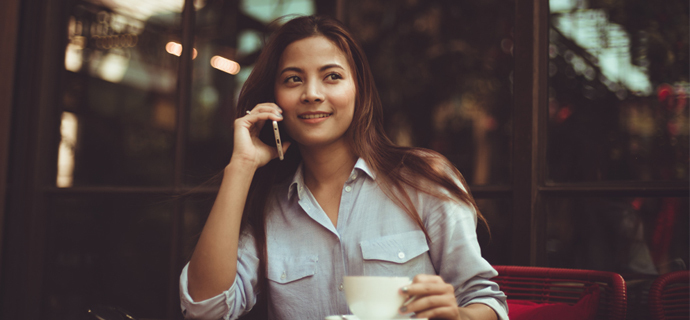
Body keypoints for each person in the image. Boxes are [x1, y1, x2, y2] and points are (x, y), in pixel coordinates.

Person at [179, 15, 508, 320]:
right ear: (275, 99)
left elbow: (486, 299)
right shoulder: (269, 209)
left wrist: (458, 316)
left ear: (358, 90)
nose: (311, 93)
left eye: (332, 76)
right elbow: (205, 309)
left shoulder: (422, 180)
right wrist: (240, 167)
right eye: (293, 79)